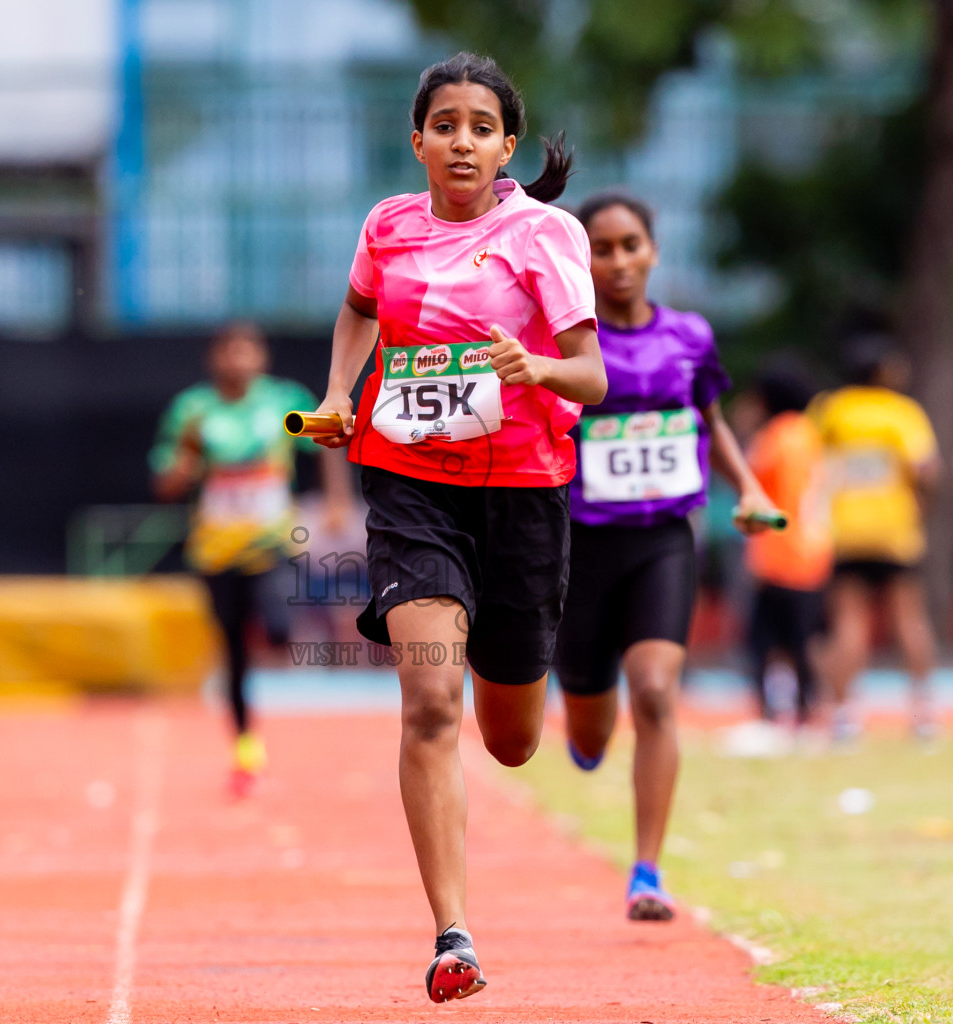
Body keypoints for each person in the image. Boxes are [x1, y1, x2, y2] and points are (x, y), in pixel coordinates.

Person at [306, 53, 605, 1003]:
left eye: (481, 127)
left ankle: (516, 664)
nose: (461, 141)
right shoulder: (387, 225)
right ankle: (453, 934)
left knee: (510, 738)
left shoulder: (546, 234)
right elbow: (359, 310)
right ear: (418, 139)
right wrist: (338, 393)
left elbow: (591, 378)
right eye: (445, 125)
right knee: (430, 703)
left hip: (522, 489)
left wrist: (535, 369)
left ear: (506, 145)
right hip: (410, 484)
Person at [550, 192, 776, 922]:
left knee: (653, 689)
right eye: (601, 248)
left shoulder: (689, 336)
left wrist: (747, 487)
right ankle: (585, 722)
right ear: (580, 261)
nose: (617, 261)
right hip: (580, 544)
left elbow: (707, 417)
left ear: (653, 251)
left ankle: (647, 871)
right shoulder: (564, 346)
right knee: (590, 724)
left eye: (630, 245)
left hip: (661, 538)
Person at [151, 321, 351, 796]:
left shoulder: (282, 401)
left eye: (248, 350)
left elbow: (327, 437)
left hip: (271, 543)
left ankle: (272, 630)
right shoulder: (193, 410)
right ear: (215, 358)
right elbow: (167, 483)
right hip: (216, 550)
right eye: (230, 351)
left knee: (280, 629)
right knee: (233, 653)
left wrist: (337, 498)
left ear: (261, 357)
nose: (239, 359)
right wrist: (186, 454)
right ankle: (245, 746)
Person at [812, 336, 940, 741]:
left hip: (845, 532)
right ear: (881, 370)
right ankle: (923, 713)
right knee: (910, 619)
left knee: (849, 622)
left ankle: (845, 716)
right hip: (894, 531)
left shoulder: (830, 410)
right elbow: (926, 469)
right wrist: (921, 505)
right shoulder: (901, 412)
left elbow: (810, 460)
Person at [745, 360, 832, 725]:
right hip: (814, 550)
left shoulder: (773, 438)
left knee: (761, 642)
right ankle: (808, 710)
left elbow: (749, 484)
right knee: (803, 640)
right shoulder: (813, 435)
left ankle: (769, 713)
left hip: (778, 555)